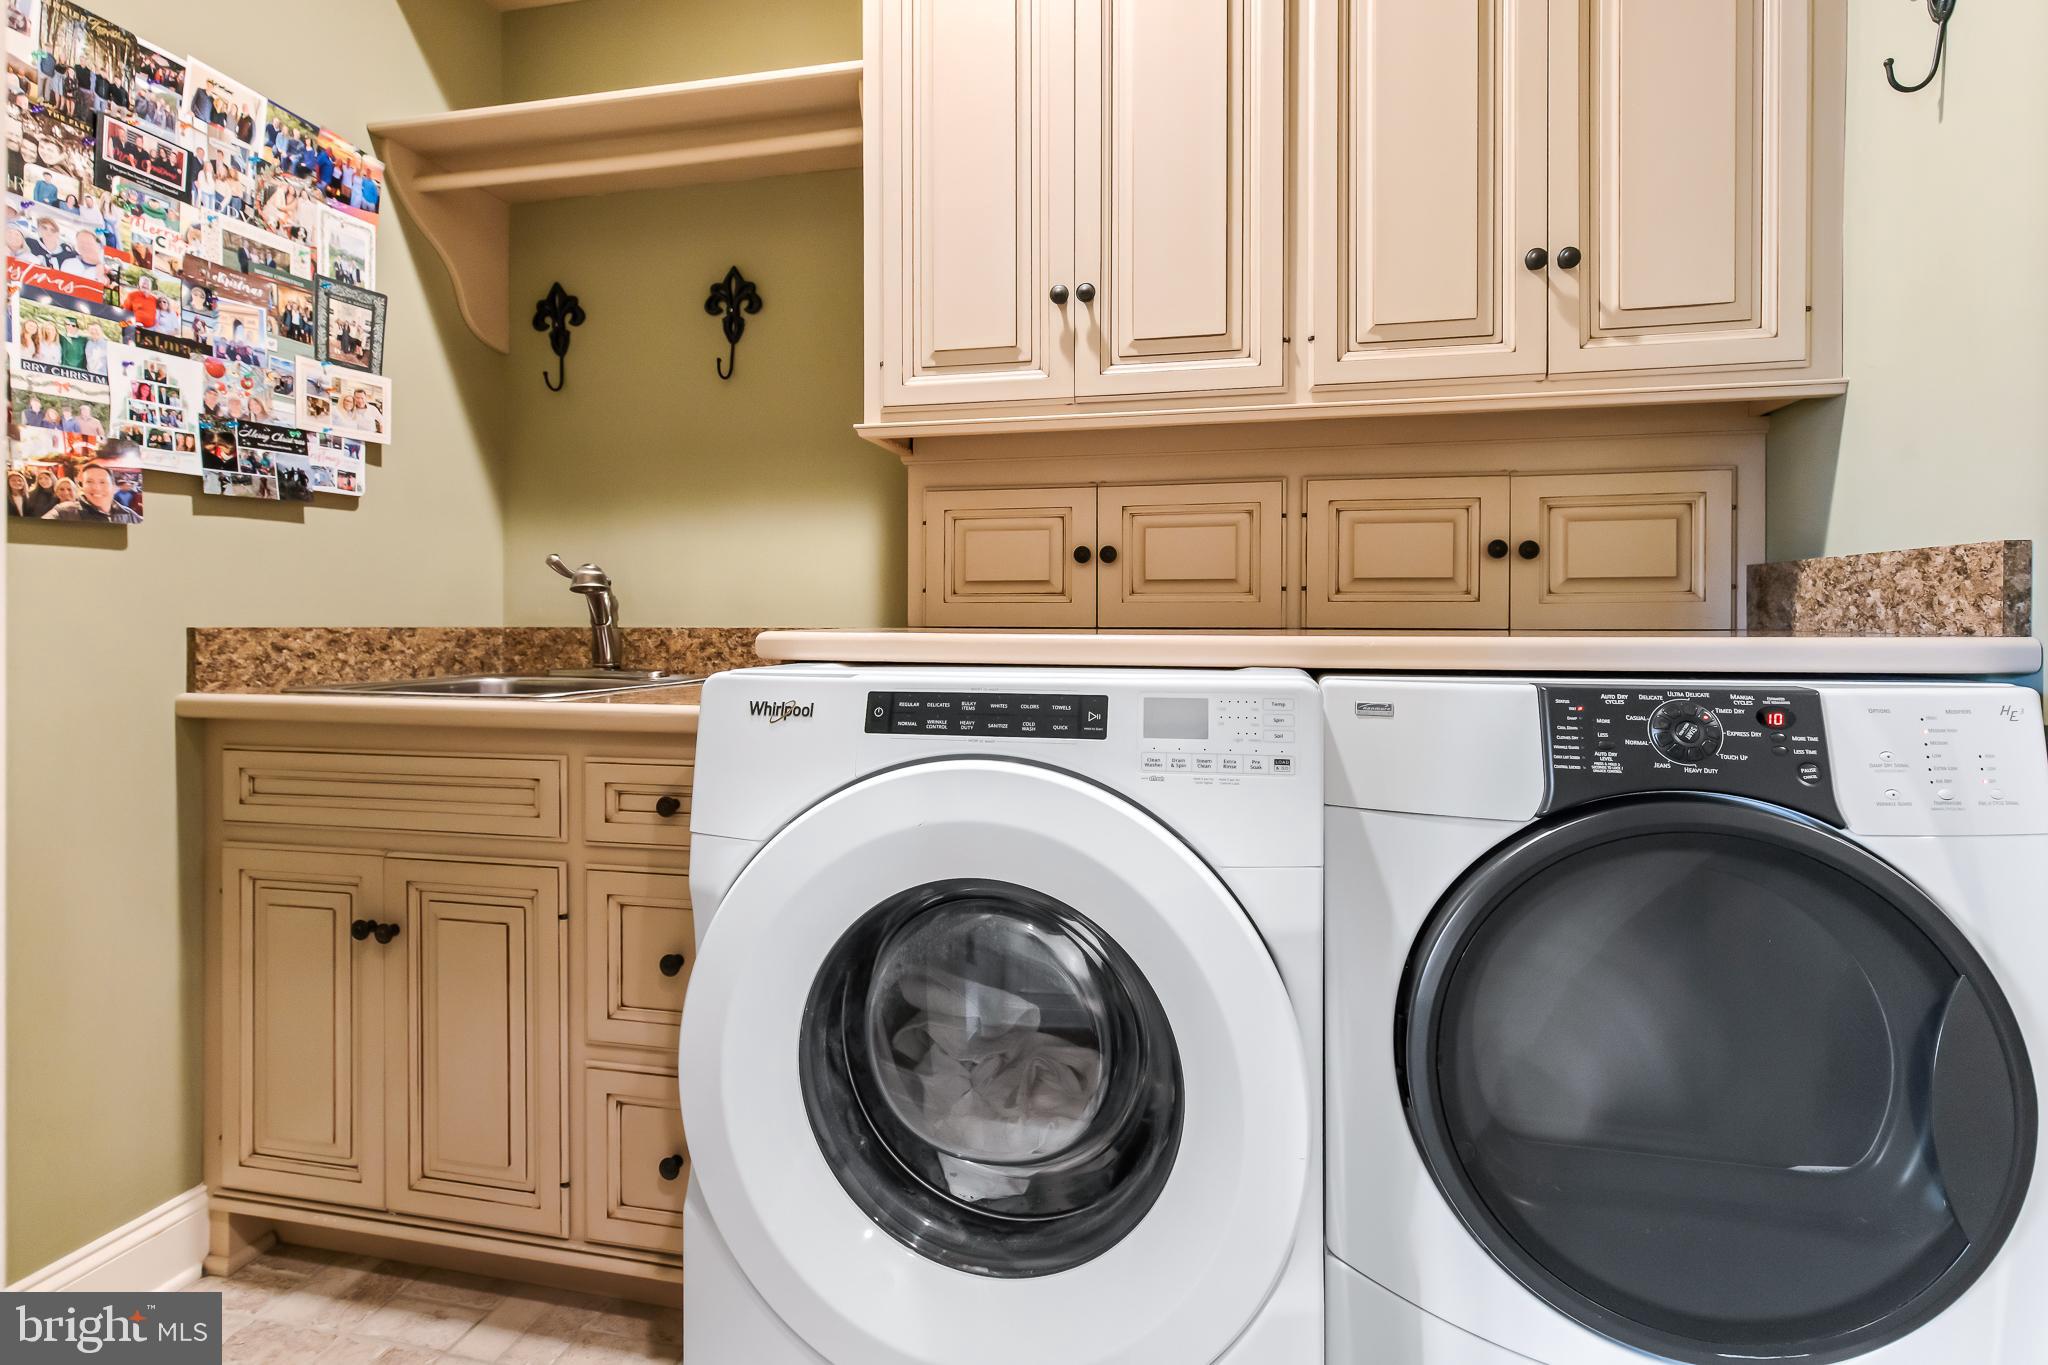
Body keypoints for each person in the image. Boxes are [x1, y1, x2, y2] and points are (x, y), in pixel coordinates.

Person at [43, 459, 139, 523]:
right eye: (89, 481)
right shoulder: (65, 512)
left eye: (102, 482)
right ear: (82, 487)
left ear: (113, 487)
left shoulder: (128, 515)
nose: (96, 487)